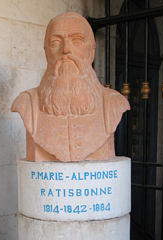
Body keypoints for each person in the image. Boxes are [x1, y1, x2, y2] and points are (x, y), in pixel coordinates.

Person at [11, 12, 130, 162]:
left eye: (77, 40)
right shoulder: (27, 103)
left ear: (92, 51)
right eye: (55, 42)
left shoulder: (113, 103)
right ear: (46, 52)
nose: (66, 49)